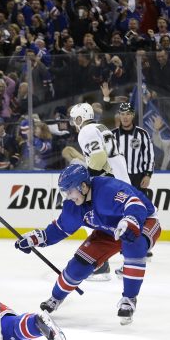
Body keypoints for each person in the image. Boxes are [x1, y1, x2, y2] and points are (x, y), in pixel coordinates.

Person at [14, 165, 161, 325]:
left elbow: (135, 205)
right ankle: (55, 298)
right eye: (65, 192)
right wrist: (35, 239)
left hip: (143, 220)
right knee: (79, 266)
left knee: (134, 244)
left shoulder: (107, 189)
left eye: (70, 191)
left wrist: (130, 221)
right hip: (108, 232)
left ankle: (129, 299)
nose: (68, 196)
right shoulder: (73, 205)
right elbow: (59, 229)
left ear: (83, 186)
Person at [69, 102, 131, 280]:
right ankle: (130, 263)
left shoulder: (86, 131)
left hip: (109, 184)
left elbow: (98, 157)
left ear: (81, 118)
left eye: (76, 119)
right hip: (121, 181)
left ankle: (101, 265)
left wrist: (88, 181)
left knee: (90, 218)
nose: (75, 123)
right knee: (122, 225)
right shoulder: (101, 127)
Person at [112, 103, 155, 195]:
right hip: (118, 178)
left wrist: (148, 175)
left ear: (133, 115)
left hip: (138, 178)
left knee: (140, 206)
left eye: (128, 114)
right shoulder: (112, 135)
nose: (125, 117)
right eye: (122, 114)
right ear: (119, 115)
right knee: (120, 207)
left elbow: (149, 156)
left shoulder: (142, 134)